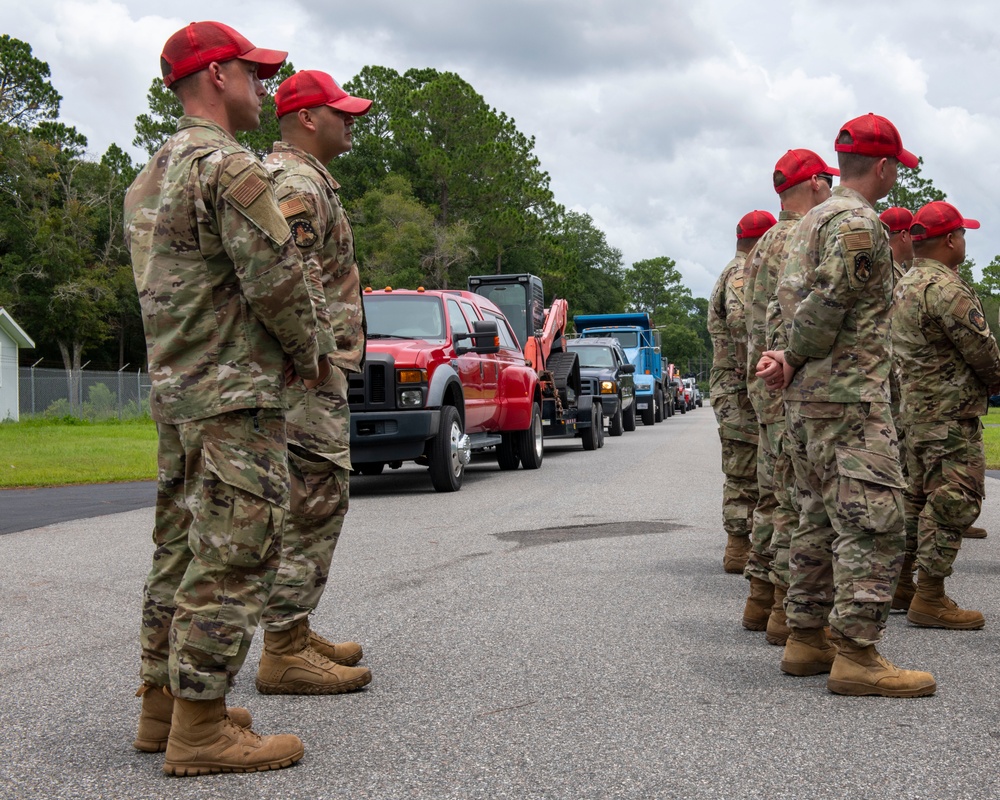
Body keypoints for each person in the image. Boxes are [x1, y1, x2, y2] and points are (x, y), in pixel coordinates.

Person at [125, 21, 326, 775]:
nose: (264, 86)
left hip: (179, 394)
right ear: (216, 76)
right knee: (233, 557)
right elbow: (275, 277)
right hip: (234, 392)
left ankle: (162, 706)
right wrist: (310, 353)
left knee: (176, 551)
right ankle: (201, 731)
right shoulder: (230, 169)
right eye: (252, 71)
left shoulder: (154, 172)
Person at [758, 113, 936, 697]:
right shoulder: (859, 226)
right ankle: (856, 653)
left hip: (811, 403)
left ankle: (806, 639)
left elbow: (790, 303)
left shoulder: (810, 222)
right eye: (897, 168)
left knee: (815, 514)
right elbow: (828, 306)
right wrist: (793, 353)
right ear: (883, 168)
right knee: (875, 524)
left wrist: (787, 358)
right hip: (848, 397)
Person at [254, 70, 373, 694]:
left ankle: (293, 632)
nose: (350, 120)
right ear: (306, 118)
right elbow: (293, 280)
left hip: (308, 370)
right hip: (304, 374)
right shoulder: (297, 183)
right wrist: (318, 360)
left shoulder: (307, 180)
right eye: (339, 111)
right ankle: (282, 648)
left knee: (313, 498)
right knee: (315, 499)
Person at [741, 150, 836, 639]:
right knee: (796, 502)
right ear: (816, 183)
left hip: (765, 385)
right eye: (828, 182)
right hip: (789, 384)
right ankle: (782, 608)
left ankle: (762, 600)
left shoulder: (761, 245)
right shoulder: (802, 237)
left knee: (774, 496)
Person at [892, 201, 1000, 629]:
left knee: (917, 499)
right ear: (951, 240)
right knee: (955, 498)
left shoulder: (903, 283)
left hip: (916, 414)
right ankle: (930, 596)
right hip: (949, 414)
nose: (965, 242)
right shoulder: (944, 287)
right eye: (964, 235)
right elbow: (984, 353)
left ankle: (903, 584)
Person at [708, 210, 775, 574]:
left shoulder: (738, 270)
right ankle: (738, 546)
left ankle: (746, 543)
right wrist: (756, 365)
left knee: (750, 467)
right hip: (739, 389)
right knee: (744, 469)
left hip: (739, 386)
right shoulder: (742, 273)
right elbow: (740, 323)